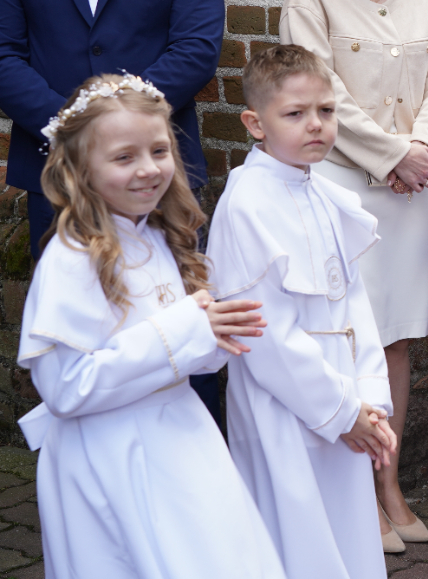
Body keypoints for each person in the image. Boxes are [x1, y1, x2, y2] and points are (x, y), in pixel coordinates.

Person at [0, 0, 226, 421]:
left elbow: (196, 51)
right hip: (59, 174)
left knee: (177, 313)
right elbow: (3, 55)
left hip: (164, 174)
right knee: (82, 328)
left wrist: (126, 135)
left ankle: (197, 451)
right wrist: (76, 137)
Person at [16, 73, 284, 579]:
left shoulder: (162, 236)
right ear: (79, 167)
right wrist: (188, 329)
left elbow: (187, 349)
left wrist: (213, 334)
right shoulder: (72, 259)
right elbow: (65, 388)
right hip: (111, 454)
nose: (147, 170)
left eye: (159, 151)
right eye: (123, 157)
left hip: (181, 434)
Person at [277, 0, 428, 550]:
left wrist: (421, 147)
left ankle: (389, 481)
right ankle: (355, 491)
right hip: (344, 184)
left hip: (411, 187)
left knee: (396, 339)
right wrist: (390, 154)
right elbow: (317, 89)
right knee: (346, 335)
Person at [212, 46, 398, 579]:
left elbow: (352, 301)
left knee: (347, 533)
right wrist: (342, 412)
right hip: (286, 408)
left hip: (343, 395)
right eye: (295, 114)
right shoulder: (248, 203)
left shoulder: (320, 188)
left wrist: (369, 400)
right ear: (255, 123)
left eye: (327, 111)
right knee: (301, 540)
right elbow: (263, 333)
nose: (315, 126)